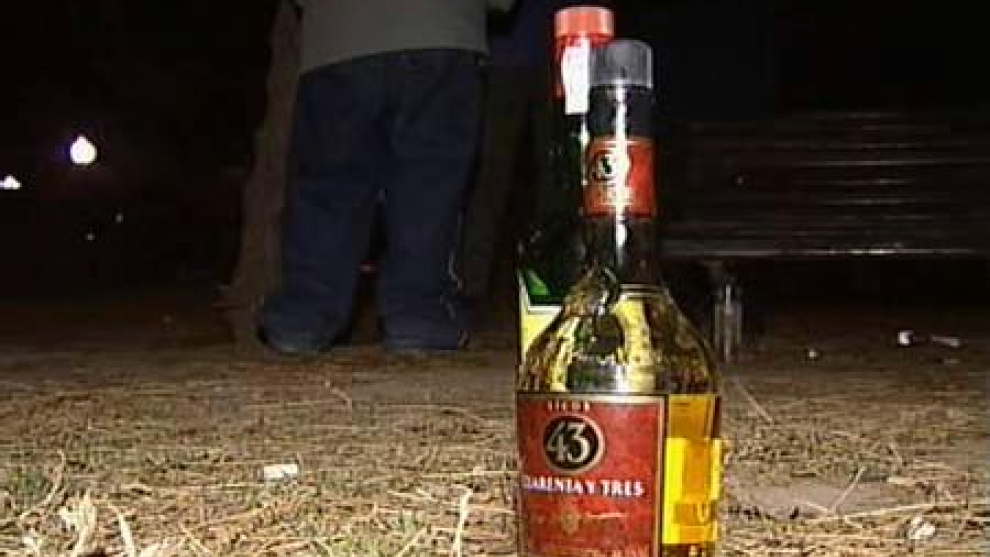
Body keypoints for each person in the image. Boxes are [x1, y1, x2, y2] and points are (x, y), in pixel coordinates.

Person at [258, 0, 515, 355]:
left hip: (336, 35)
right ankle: (420, 314)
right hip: (439, 28)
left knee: (329, 186)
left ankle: (303, 316)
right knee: (429, 185)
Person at [458, 0, 562, 316]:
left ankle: (554, 276)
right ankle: (470, 284)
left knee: (557, 173)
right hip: (504, 59)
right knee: (491, 174)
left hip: (555, 56)